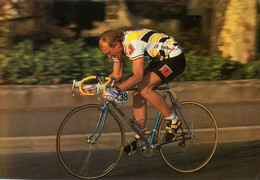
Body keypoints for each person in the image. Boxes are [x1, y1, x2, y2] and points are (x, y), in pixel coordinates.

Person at [98, 28, 186, 154]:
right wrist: (98, 85)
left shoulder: (133, 43)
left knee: (144, 88)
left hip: (174, 57)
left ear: (116, 44)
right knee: (137, 93)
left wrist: (117, 89)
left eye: (109, 53)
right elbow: (117, 75)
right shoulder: (117, 49)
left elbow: (138, 76)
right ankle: (139, 139)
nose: (108, 56)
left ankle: (173, 120)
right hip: (160, 58)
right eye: (106, 54)